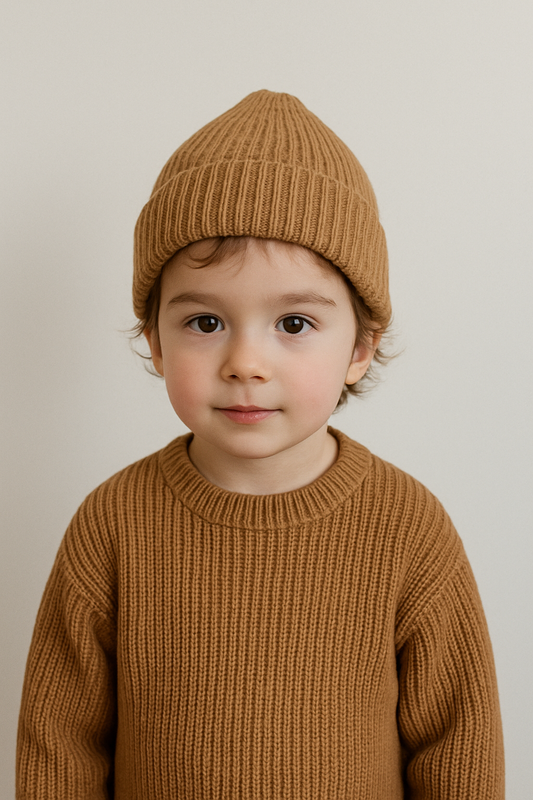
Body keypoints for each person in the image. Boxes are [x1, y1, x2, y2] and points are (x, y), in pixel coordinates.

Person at [16, 89, 505, 799]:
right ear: (153, 338)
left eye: (295, 324)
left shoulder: (407, 527)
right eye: (206, 323)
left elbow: (458, 748)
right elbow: (57, 747)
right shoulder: (113, 523)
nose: (246, 361)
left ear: (361, 347)